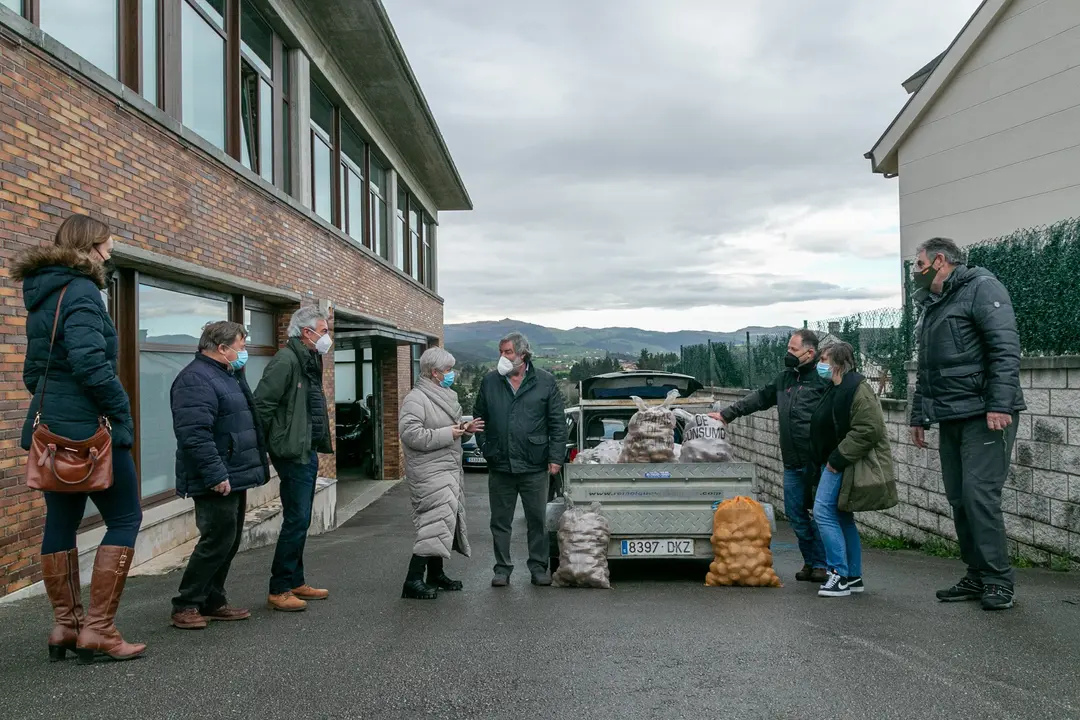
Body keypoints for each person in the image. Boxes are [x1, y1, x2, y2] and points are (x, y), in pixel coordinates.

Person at [13, 214, 145, 663]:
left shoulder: (42, 294)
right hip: (89, 427)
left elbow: (33, 371)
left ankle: (65, 626)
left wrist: (58, 404)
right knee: (125, 517)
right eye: (108, 246)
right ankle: (99, 629)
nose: (110, 254)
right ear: (91, 246)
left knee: (61, 520)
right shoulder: (84, 290)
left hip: (51, 428)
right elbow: (91, 364)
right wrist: (121, 411)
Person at [910, 237, 1025, 611]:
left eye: (918, 264)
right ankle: (977, 574)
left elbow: (1004, 349)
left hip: (984, 413)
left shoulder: (982, 288)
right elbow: (927, 367)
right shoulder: (934, 303)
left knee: (979, 496)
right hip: (951, 414)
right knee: (960, 498)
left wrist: (1000, 404)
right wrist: (918, 415)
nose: (915, 272)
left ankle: (998, 581)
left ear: (940, 261)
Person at [169, 321, 271, 628]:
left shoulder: (227, 374)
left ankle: (213, 600)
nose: (244, 352)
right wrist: (215, 475)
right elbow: (195, 434)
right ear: (222, 348)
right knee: (216, 541)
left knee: (229, 540)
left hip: (233, 473)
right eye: (241, 347)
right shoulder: (195, 380)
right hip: (216, 477)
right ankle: (186, 604)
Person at [710, 329, 830, 583]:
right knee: (796, 515)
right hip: (792, 462)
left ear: (810, 353)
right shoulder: (785, 378)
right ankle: (810, 562)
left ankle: (822, 564)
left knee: (819, 515)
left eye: (793, 349)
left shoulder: (823, 381)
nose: (788, 353)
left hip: (818, 461)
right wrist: (727, 414)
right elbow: (760, 397)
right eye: (788, 348)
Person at [253, 306, 334, 612]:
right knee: (296, 519)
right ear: (306, 332)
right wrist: (264, 447)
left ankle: (296, 580)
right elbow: (262, 405)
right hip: (290, 450)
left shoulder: (309, 359)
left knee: (301, 518)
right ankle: (279, 588)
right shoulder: (285, 361)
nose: (327, 337)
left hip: (305, 449)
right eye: (323, 331)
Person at [473, 332, 567, 587]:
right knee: (500, 522)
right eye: (501, 352)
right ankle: (502, 569)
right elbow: (479, 418)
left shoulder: (545, 381)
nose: (502, 357)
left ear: (523, 355)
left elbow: (557, 423)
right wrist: (486, 447)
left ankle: (538, 567)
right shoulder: (490, 381)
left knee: (537, 520)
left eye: (508, 352)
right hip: (500, 464)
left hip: (534, 465)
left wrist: (555, 457)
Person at [810, 342, 897, 598]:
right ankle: (852, 576)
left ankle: (838, 574)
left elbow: (869, 429)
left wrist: (836, 459)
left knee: (823, 512)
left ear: (837, 363)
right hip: (835, 461)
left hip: (840, 463)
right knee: (842, 517)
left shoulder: (858, 389)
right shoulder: (836, 387)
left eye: (823, 360)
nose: (819, 365)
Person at [398, 347, 483, 599]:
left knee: (443, 521)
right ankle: (412, 580)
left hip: (445, 468)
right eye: (447, 370)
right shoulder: (416, 398)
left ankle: (435, 574)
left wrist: (463, 429)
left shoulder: (442, 395)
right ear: (434, 373)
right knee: (434, 522)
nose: (451, 373)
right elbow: (411, 434)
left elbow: (444, 429)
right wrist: (450, 433)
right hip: (428, 471)